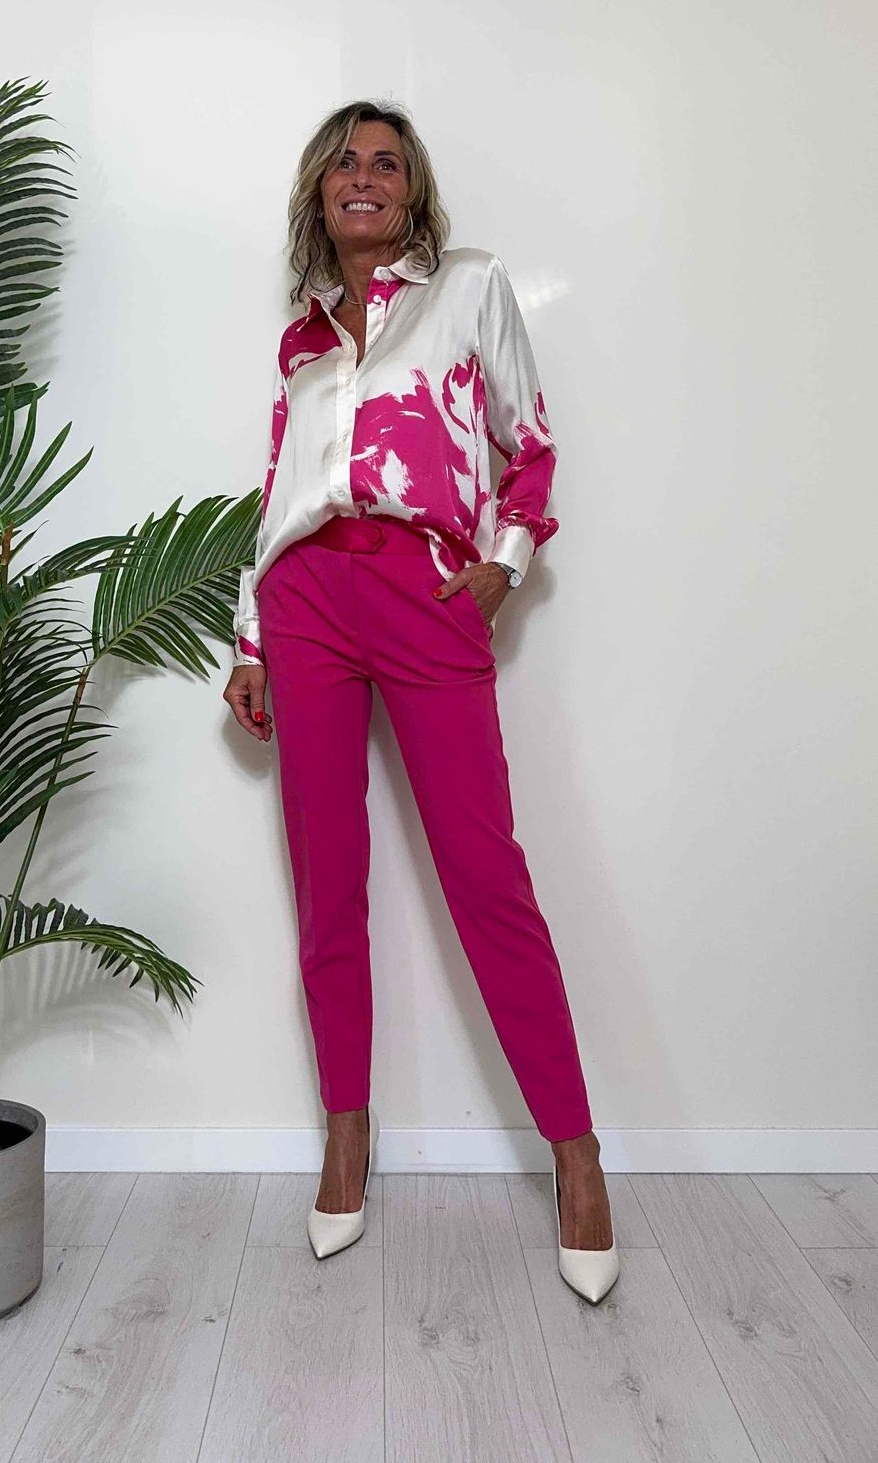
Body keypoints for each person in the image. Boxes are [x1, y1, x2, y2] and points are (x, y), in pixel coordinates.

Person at [223, 100, 619, 1302]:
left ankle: (575, 1153)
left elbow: (528, 448)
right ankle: (346, 1132)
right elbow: (277, 490)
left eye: (385, 163)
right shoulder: (300, 343)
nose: (364, 177)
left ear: (411, 191)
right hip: (304, 603)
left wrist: (500, 566)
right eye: (343, 162)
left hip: (423, 591)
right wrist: (250, 638)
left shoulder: (468, 289)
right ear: (318, 191)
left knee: (485, 878)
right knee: (324, 881)